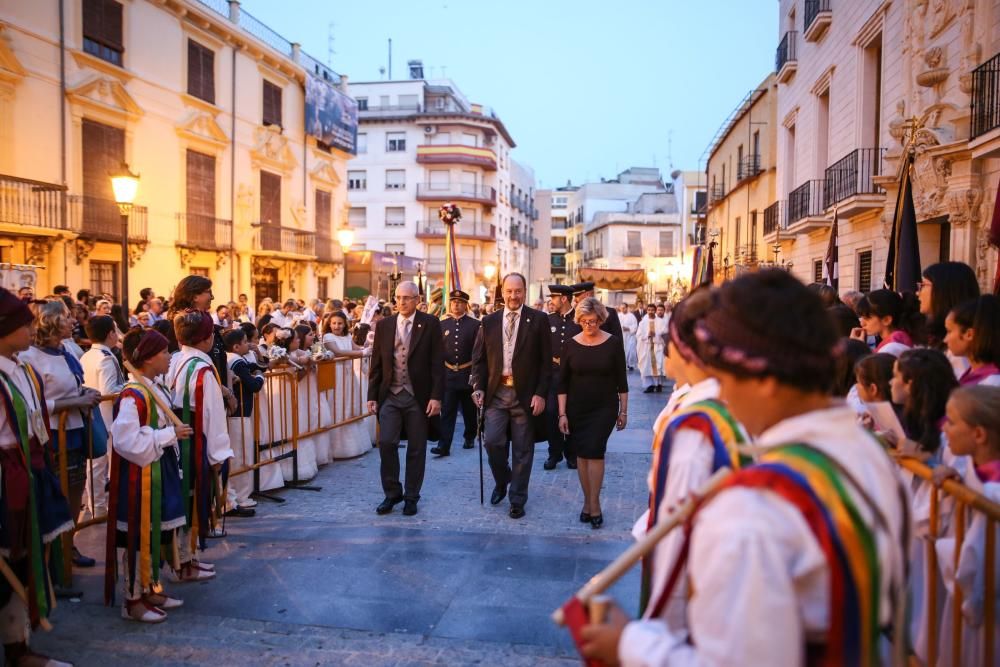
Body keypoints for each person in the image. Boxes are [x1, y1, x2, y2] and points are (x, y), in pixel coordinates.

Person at [580, 269, 909, 667]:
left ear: (764, 378)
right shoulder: (871, 455)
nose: (720, 394)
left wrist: (628, 646)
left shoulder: (754, 506)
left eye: (725, 376)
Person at [635, 287, 750, 629]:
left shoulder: (696, 427)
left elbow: (677, 537)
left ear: (686, 349)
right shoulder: (703, 403)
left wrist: (654, 633)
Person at [0, 289, 75, 666]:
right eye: (22, 323)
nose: (31, 328)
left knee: (23, 562)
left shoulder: (21, 369)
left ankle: (18, 648)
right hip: (6, 481)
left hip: (29, 473)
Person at [106, 328, 190, 623]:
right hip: (140, 478)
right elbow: (125, 440)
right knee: (139, 537)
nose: (169, 356)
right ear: (150, 357)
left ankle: (150, 586)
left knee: (157, 534)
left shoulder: (153, 387)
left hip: (159, 470)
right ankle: (132, 600)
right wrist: (170, 434)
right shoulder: (133, 395)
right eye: (165, 352)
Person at [20, 301, 102, 570]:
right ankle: (52, 554)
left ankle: (69, 546)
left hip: (76, 432)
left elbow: (72, 385)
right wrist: (72, 404)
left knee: (75, 495)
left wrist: (85, 395)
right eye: (66, 317)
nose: (72, 321)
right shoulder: (30, 357)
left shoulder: (67, 349)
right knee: (57, 494)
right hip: (53, 436)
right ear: (51, 322)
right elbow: (34, 404)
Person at [471, 273, 551, 519]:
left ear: (524, 291)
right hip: (496, 393)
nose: (513, 296)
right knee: (492, 441)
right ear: (502, 292)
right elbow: (479, 359)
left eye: (518, 291)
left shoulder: (538, 320)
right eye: (509, 291)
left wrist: (540, 394)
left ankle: (517, 499)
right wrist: (478, 386)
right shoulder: (489, 321)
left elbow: (546, 363)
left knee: (523, 451)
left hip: (524, 396)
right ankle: (503, 479)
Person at [932, 385, 1000, 666]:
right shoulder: (970, 469)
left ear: (979, 434)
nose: (944, 429)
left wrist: (946, 549)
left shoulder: (993, 495)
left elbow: (978, 566)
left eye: (951, 421)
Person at [367, 281, 443, 516]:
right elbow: (377, 363)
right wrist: (372, 395)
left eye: (407, 298)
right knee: (387, 443)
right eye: (398, 297)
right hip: (390, 394)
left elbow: (437, 364)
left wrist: (436, 397)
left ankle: (411, 496)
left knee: (416, 449)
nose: (401, 302)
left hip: (417, 397)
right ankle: (392, 493)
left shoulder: (430, 323)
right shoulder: (384, 325)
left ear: (418, 299)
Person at [167, 310, 233, 577]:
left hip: (178, 439)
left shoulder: (173, 360)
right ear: (206, 339)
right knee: (193, 499)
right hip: (196, 441)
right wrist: (219, 456)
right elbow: (213, 415)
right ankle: (184, 562)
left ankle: (187, 557)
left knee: (185, 499)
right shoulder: (204, 370)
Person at [557, 298, 627, 529]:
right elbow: (562, 383)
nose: (589, 326)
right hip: (577, 408)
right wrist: (562, 414)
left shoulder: (613, 343)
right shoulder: (570, 344)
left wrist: (623, 411)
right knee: (582, 454)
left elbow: (622, 380)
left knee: (595, 451)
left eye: (594, 321)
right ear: (578, 321)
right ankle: (587, 502)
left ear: (600, 320)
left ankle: (594, 505)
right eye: (585, 322)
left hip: (604, 408)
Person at [80, 316, 126, 522]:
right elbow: (108, 390)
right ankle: (101, 507)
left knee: (96, 466)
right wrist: (128, 387)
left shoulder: (87, 355)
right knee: (105, 465)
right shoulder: (106, 358)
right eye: (115, 330)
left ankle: (96, 505)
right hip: (107, 417)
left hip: (94, 416)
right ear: (110, 334)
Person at [431, 290, 480, 457]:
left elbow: (477, 353)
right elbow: (437, 351)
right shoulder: (442, 324)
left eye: (459, 302)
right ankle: (444, 445)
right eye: (453, 302)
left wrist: (475, 374)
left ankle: (470, 435)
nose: (456, 305)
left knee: (469, 411)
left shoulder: (475, 325)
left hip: (467, 373)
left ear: (465, 304)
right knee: (447, 412)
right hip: (449, 373)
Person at [223, 328, 263, 518]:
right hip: (239, 413)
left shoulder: (229, 358)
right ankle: (240, 496)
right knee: (240, 456)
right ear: (236, 346)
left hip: (234, 414)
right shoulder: (237, 362)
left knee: (237, 454)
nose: (248, 345)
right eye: (246, 342)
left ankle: (236, 495)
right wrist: (259, 376)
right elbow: (254, 385)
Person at [320, 311, 370, 459]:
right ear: (329, 324)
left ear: (344, 324)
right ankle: (336, 447)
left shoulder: (347, 336)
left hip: (348, 374)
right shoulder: (328, 337)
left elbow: (356, 348)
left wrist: (367, 347)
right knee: (337, 404)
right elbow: (337, 352)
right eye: (334, 323)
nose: (337, 326)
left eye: (340, 323)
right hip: (336, 374)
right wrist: (362, 354)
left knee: (349, 404)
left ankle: (352, 446)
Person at [544, 284, 582, 471]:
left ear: (564, 299)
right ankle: (554, 453)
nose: (551, 301)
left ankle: (572, 453)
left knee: (573, 414)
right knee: (551, 414)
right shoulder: (547, 320)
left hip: (574, 376)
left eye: (554, 298)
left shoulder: (580, 320)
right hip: (552, 376)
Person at [918, 261, 981, 352]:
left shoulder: (960, 351)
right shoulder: (935, 338)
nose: (918, 292)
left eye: (923, 285)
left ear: (943, 291)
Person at [945, 295, 1000, 386]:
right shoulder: (971, 374)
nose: (945, 339)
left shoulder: (991, 383)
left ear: (969, 334)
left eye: (949, 331)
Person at [852, 288, 922, 355]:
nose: (862, 323)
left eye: (867, 318)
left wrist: (859, 348)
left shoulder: (892, 347)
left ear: (887, 320)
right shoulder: (897, 340)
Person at [636, 303, 666, 393]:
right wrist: (647, 335)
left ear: (655, 310)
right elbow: (638, 335)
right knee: (647, 367)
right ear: (647, 311)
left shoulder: (661, 322)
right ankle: (650, 385)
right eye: (649, 310)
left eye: (652, 310)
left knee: (658, 366)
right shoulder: (643, 323)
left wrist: (656, 334)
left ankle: (659, 385)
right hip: (646, 347)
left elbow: (665, 333)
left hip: (658, 346)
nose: (650, 312)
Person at [619, 303, 638, 371]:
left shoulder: (631, 316)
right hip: (622, 336)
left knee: (630, 351)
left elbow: (635, 326)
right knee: (622, 351)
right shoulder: (619, 315)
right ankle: (623, 364)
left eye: (624, 308)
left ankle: (630, 364)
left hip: (630, 336)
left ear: (627, 308)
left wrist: (629, 328)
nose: (622, 309)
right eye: (621, 308)